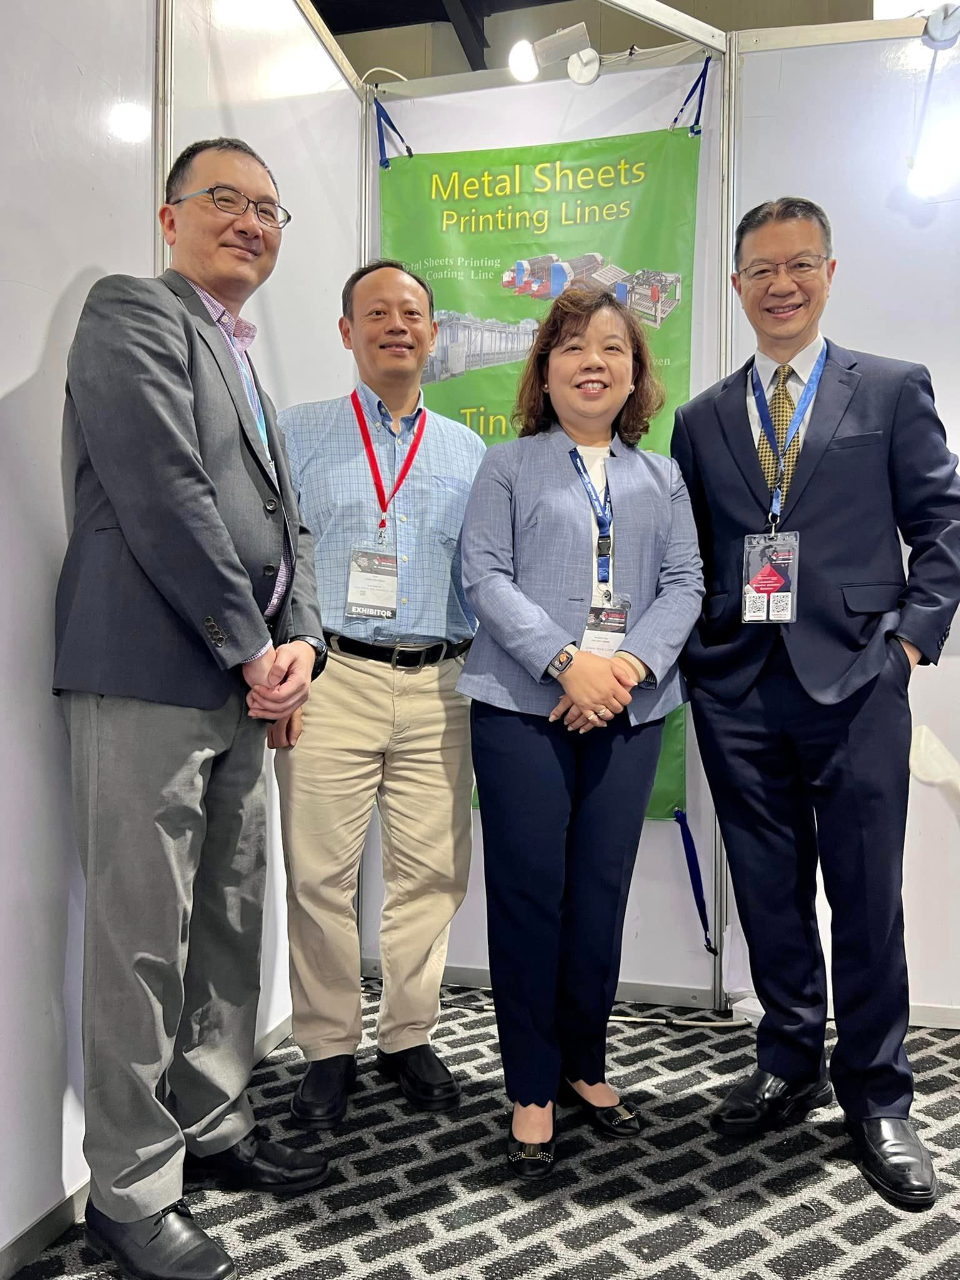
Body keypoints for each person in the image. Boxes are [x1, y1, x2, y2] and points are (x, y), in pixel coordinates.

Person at [54, 138, 330, 1280]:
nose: (251, 221)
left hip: (239, 681)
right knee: (140, 939)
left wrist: (304, 640)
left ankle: (213, 1120)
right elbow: (163, 493)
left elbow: (287, 527)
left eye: (269, 208)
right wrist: (256, 647)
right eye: (225, 199)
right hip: (148, 670)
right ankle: (129, 1191)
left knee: (229, 915)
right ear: (170, 217)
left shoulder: (247, 361)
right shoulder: (132, 311)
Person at [672, 196, 960, 1211]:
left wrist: (910, 643)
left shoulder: (888, 387)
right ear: (738, 284)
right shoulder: (703, 417)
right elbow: (691, 551)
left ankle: (879, 1093)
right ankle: (789, 1056)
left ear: (829, 274)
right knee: (768, 890)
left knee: (867, 896)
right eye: (761, 269)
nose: (781, 284)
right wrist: (697, 659)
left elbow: (943, 525)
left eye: (800, 265)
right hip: (740, 687)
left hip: (859, 681)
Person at [458, 286, 703, 1178]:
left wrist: (623, 671)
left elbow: (686, 582)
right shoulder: (507, 465)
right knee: (530, 896)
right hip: (521, 708)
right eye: (571, 347)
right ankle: (530, 1085)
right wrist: (569, 664)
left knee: (600, 894)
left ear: (635, 374)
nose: (592, 362)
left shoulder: (662, 477)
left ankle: (584, 1066)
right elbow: (482, 576)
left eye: (611, 348)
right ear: (545, 369)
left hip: (628, 711)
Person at [271, 260, 486, 1131]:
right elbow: (273, 557)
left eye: (411, 313)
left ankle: (407, 1034)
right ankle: (327, 1045)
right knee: (319, 873)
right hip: (332, 676)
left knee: (431, 872)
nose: (396, 325)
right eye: (376, 313)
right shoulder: (297, 432)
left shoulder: (470, 452)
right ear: (346, 332)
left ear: (434, 335)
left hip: (441, 682)